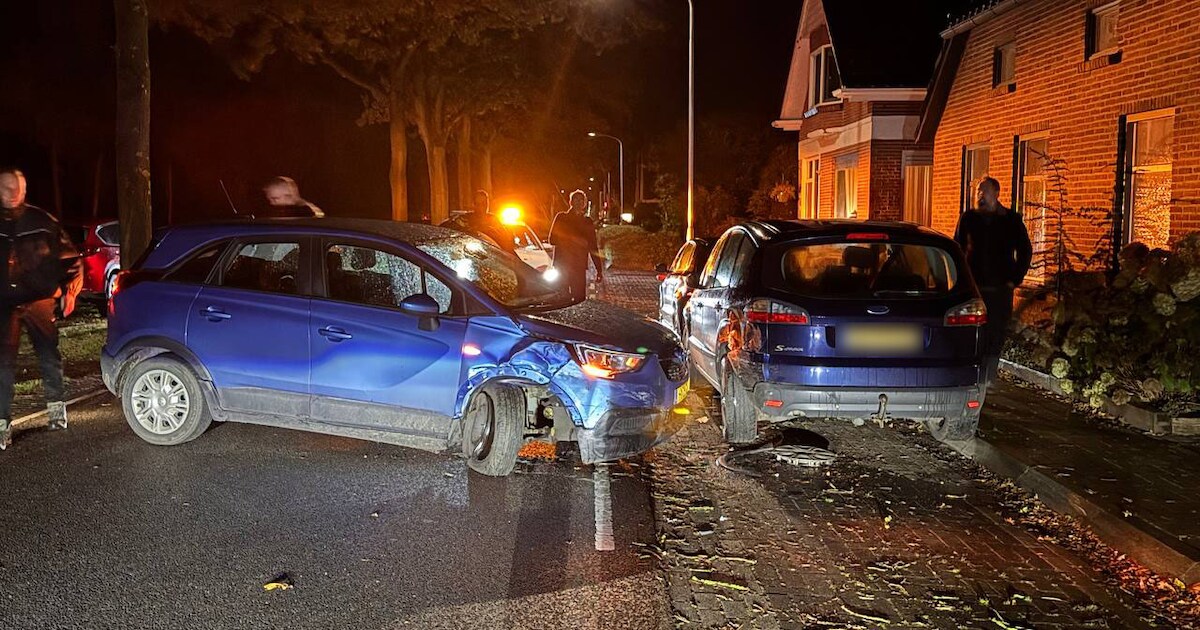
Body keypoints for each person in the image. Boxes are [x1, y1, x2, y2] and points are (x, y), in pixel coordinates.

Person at [0, 169, 83, 450]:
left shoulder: (42, 221)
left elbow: (71, 258)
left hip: (39, 299)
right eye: (6, 187)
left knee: (48, 355)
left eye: (17, 188)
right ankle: (2, 424)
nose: (12, 193)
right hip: (3, 303)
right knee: (3, 364)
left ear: (24, 190)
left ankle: (57, 410)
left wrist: (70, 292)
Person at [954, 176, 1033, 386]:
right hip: (974, 288)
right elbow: (957, 248)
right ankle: (973, 374)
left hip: (1000, 288)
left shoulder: (1011, 220)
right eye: (978, 191)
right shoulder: (968, 218)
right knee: (972, 331)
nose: (980, 195)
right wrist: (960, 279)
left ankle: (988, 376)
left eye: (985, 191)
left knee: (996, 332)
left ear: (996, 194)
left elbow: (1025, 250)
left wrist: (1015, 278)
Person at [548, 190, 604, 300]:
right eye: (576, 199)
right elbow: (552, 239)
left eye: (581, 200)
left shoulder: (587, 221)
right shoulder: (562, 217)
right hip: (562, 265)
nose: (579, 202)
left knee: (579, 299)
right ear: (571, 202)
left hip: (579, 266)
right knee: (562, 298)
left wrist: (599, 269)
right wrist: (574, 240)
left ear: (584, 203)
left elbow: (593, 246)